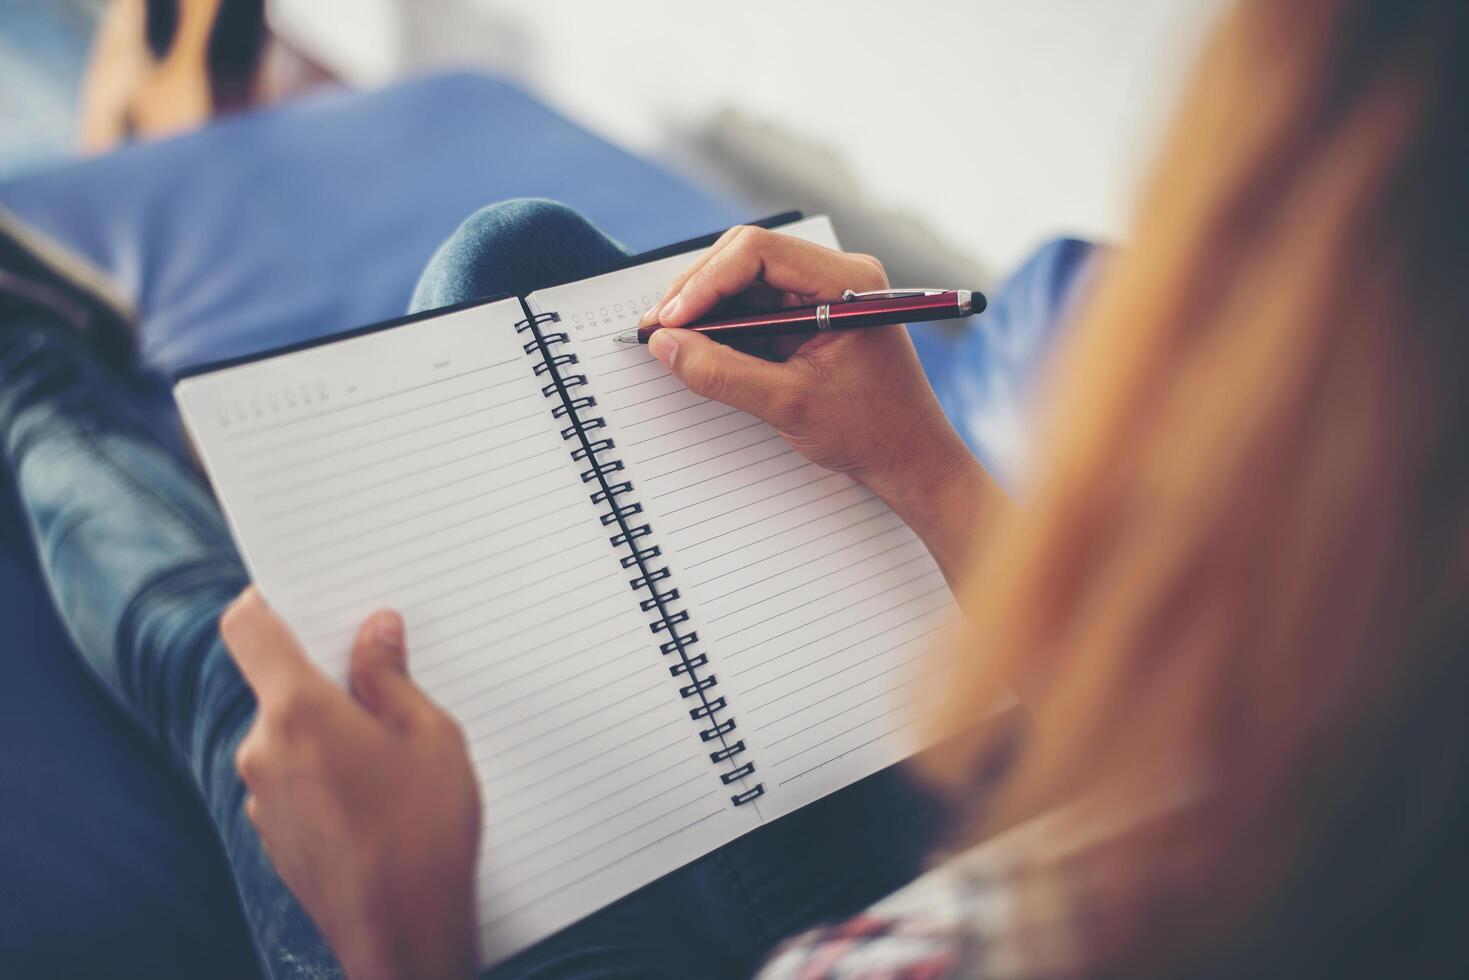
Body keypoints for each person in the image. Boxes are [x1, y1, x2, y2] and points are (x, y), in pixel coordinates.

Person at [4, 0, 1466, 977]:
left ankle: (31, 386)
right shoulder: (1388, 716)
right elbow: (1187, 774)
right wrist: (922, 467)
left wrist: (404, 931)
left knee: (237, 677)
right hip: (1017, 860)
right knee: (516, 268)